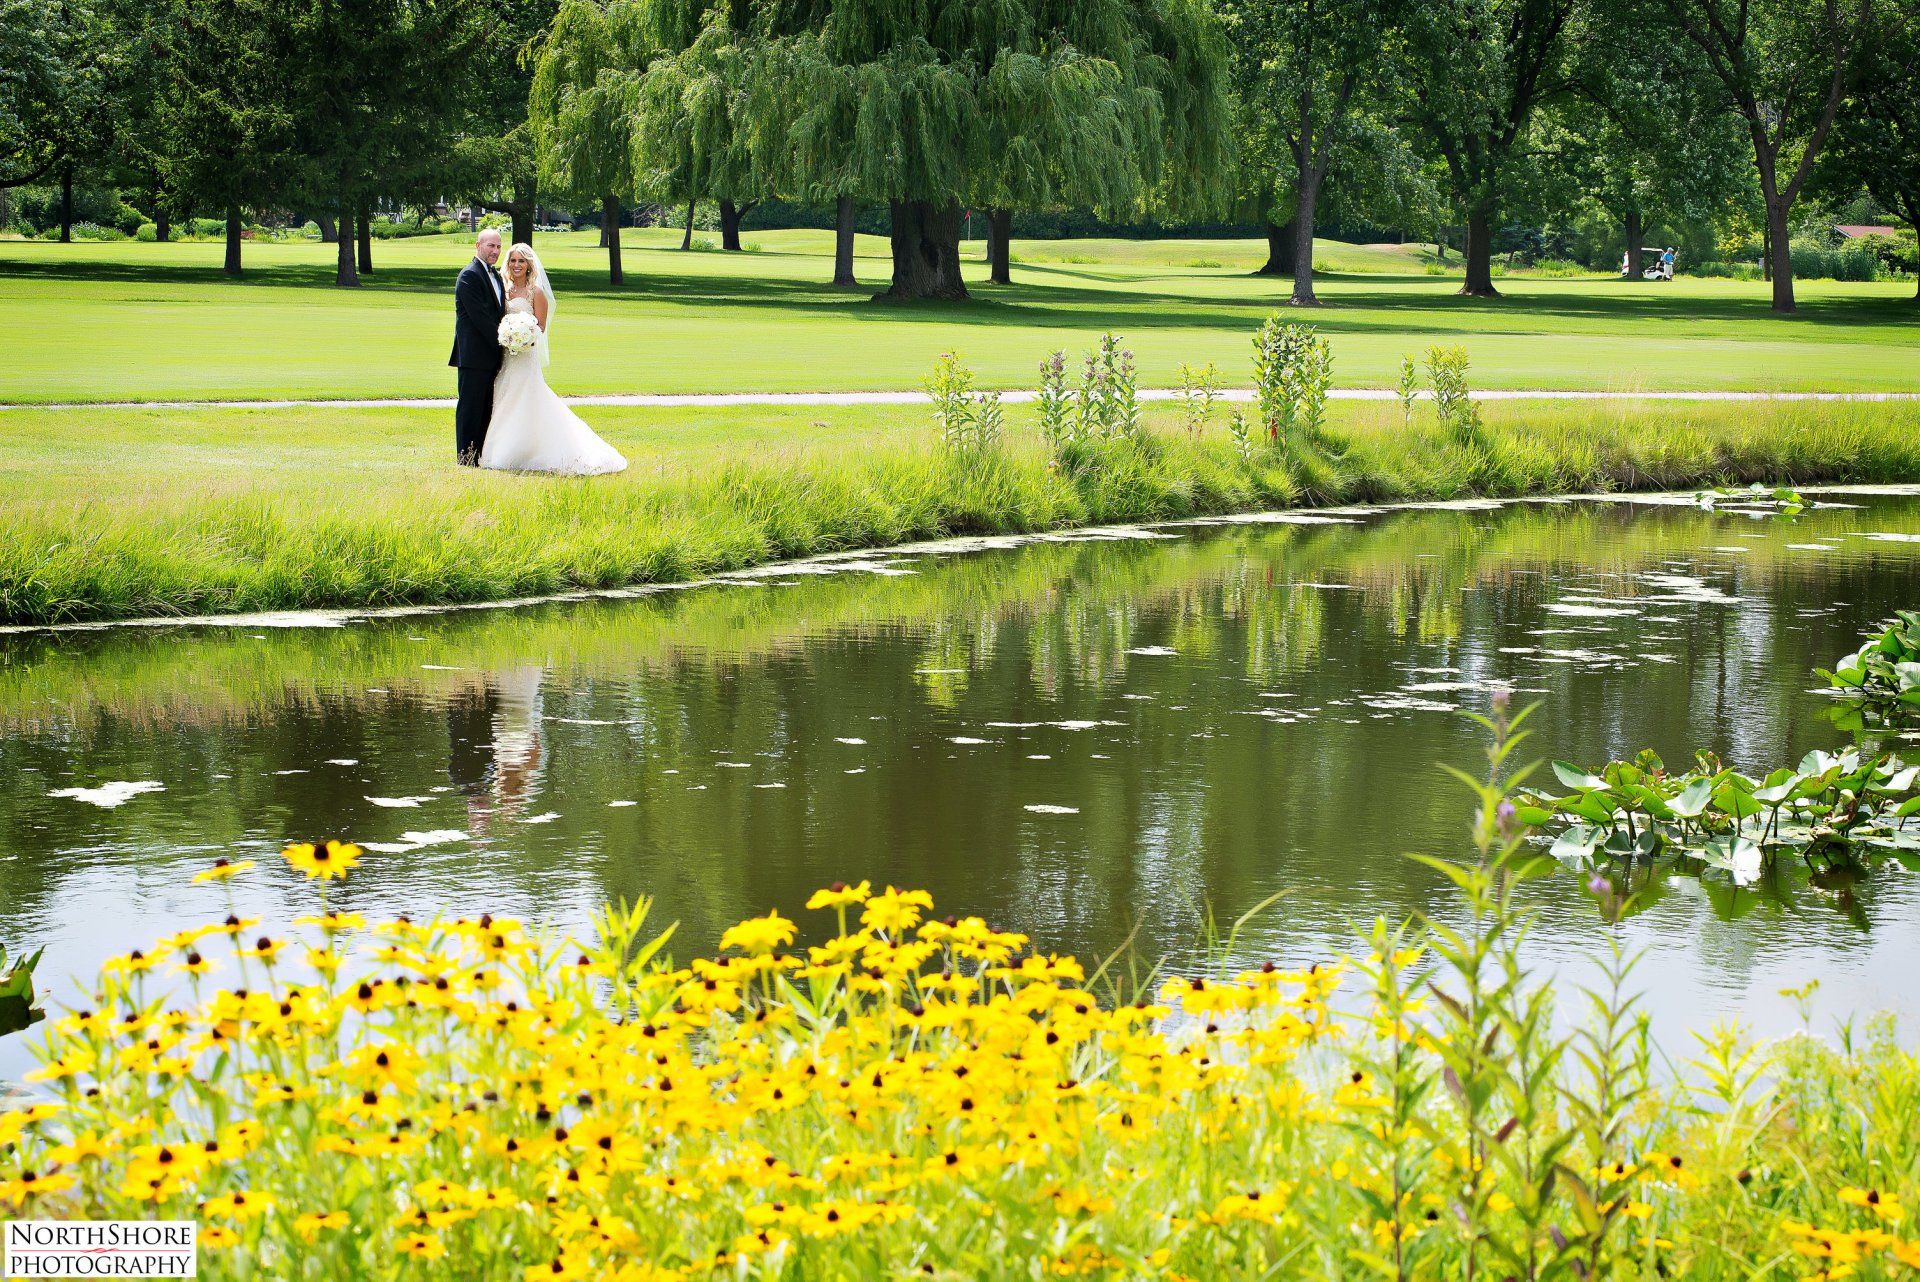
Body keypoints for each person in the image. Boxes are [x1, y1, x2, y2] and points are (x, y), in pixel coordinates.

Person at [478, 243, 627, 476]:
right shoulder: (502, 289)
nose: (516, 265)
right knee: (504, 396)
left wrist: (523, 335)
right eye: (513, 261)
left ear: (529, 265)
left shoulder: (535, 292)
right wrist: (507, 335)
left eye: (521, 261)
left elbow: (541, 327)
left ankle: (531, 451)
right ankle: (502, 451)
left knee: (527, 396)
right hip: (506, 356)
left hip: (525, 355)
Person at [449, 229, 507, 465]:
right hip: (473, 356)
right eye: (490, 246)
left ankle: (479, 455)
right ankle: (465, 458)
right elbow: (480, 318)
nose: (495, 251)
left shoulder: (497, 276)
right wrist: (506, 340)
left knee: (485, 409)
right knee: (470, 408)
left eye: (498, 247)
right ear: (478, 245)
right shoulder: (469, 276)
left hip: (491, 356)